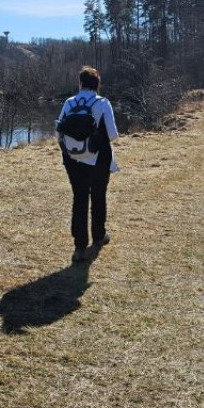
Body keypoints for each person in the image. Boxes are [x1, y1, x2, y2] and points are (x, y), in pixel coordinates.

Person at [56, 66, 119, 263]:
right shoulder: (103, 103)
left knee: (79, 199)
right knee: (98, 196)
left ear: (80, 84)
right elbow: (113, 135)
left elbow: (58, 132)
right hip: (98, 159)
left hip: (73, 160)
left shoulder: (69, 102)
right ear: (97, 84)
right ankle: (99, 236)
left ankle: (79, 248)